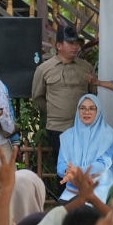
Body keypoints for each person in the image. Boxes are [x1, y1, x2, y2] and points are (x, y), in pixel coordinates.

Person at [32, 26, 96, 177]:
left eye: (77, 43)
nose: (75, 47)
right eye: (70, 43)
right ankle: (65, 201)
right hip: (58, 128)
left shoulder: (86, 67)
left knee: (85, 168)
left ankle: (83, 200)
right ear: (59, 45)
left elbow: (93, 94)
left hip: (83, 128)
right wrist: (54, 112)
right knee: (65, 170)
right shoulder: (44, 69)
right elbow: (37, 96)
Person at [57, 94, 113, 203]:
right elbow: (61, 164)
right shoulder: (67, 136)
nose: (86, 112)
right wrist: (68, 172)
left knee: (86, 211)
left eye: (91, 108)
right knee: (63, 209)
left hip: (98, 185)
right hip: (74, 185)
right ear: (78, 111)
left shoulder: (109, 136)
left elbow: (103, 164)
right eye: (83, 108)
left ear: (98, 111)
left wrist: (78, 171)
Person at [0, 60, 16, 168]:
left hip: (2, 140)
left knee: (11, 180)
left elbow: (10, 112)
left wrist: (15, 139)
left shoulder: (1, 86)